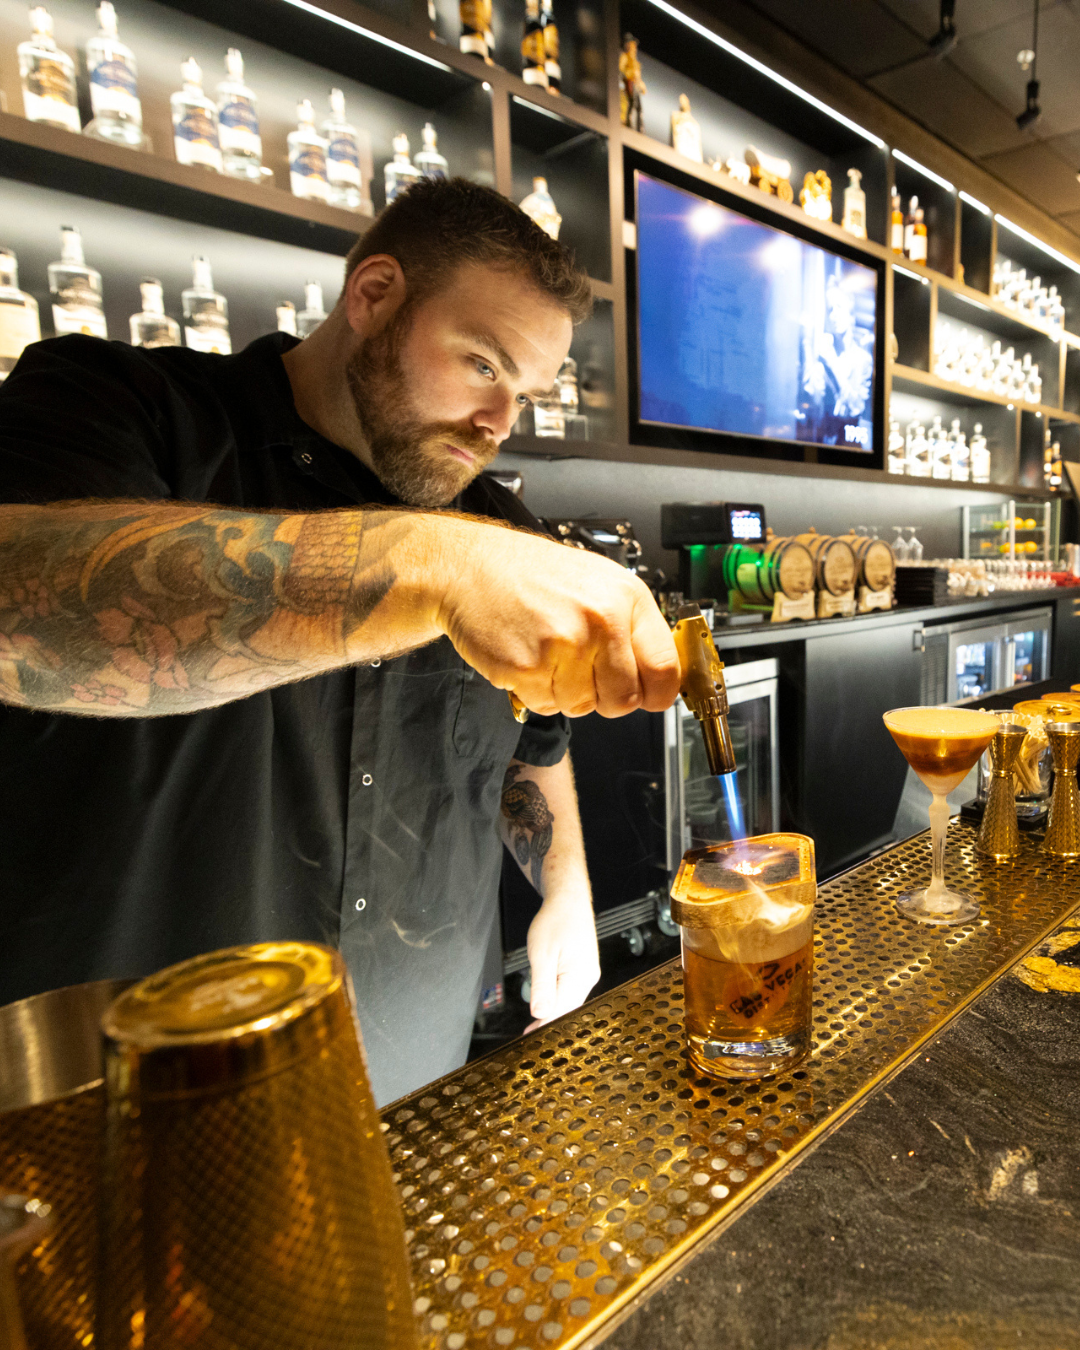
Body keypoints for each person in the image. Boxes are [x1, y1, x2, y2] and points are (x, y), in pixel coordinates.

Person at [0, 179, 679, 1104]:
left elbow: (532, 743)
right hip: (133, 1091)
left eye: (523, 392)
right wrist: (430, 568)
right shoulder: (122, 407)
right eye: (483, 364)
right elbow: (24, 603)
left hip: (414, 1061)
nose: (499, 423)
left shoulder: (500, 525)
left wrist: (567, 891)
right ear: (374, 295)